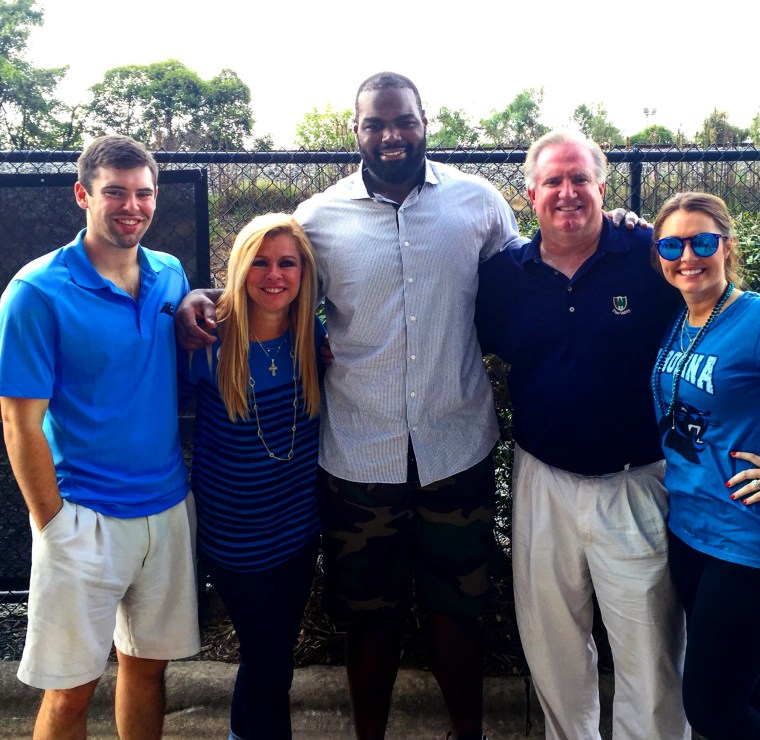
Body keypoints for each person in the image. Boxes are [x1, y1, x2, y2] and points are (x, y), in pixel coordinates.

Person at [176, 74, 639, 740]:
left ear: (426, 121)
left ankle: (468, 734)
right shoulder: (318, 218)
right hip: (359, 459)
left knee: (460, 614)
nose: (391, 135)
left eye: (404, 121)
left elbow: (537, 263)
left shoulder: (478, 204)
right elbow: (269, 279)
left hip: (458, 450)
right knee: (371, 618)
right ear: (355, 130)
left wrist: (617, 225)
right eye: (376, 124)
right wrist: (199, 295)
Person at [476, 130, 689, 739]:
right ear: (530, 193)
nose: (566, 193)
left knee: (650, 652)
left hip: (638, 479)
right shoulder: (503, 277)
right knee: (551, 644)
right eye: (552, 181)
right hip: (541, 476)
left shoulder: (651, 255)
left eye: (579, 179)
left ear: (602, 187)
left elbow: (717, 318)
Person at [0, 134, 200, 739]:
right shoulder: (35, 292)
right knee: (71, 691)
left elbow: (189, 317)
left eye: (143, 193)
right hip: (81, 517)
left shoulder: (169, 274)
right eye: (115, 192)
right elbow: (18, 421)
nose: (131, 206)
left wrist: (198, 298)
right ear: (83, 194)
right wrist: (52, 524)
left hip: (166, 510)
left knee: (148, 671)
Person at [179, 213, 324, 740]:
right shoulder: (206, 339)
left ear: (304, 272)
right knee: (265, 656)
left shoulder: (312, 332)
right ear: (240, 267)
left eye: (287, 262)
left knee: (276, 657)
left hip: (298, 531)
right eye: (259, 262)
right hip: (236, 540)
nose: (274, 274)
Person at [650, 192, 760, 739]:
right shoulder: (682, 320)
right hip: (688, 531)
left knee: (711, 707)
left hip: (743, 540)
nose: (687, 255)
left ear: (726, 245)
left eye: (702, 241)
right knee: (748, 689)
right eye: (672, 243)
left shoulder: (754, 317)